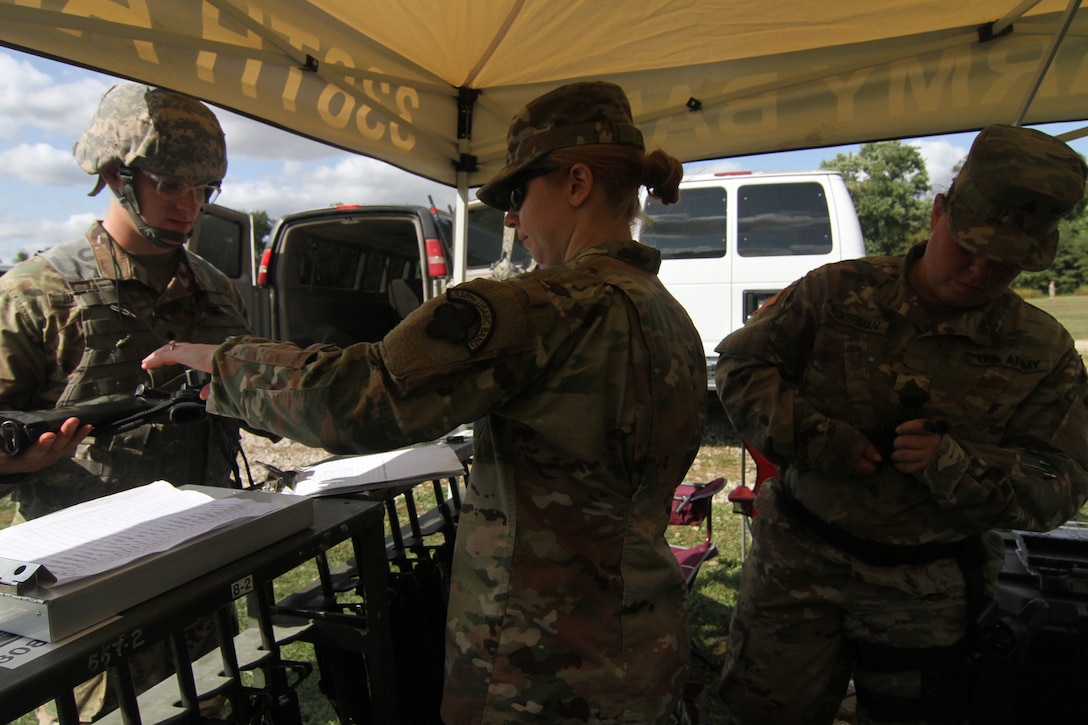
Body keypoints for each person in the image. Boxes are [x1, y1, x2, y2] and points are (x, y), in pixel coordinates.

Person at [143, 80, 708, 723]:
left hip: (540, 670)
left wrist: (221, 360)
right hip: (643, 645)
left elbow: (356, 398)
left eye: (519, 195)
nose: (513, 219)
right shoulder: (668, 316)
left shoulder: (536, 305)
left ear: (577, 183)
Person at [713, 123, 1088, 724]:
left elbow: (1061, 483)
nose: (978, 271)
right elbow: (741, 365)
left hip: (930, 589)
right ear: (939, 212)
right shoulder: (837, 294)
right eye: (968, 246)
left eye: (1006, 263)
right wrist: (811, 436)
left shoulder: (1040, 351)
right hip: (800, 567)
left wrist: (956, 467)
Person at [0, 82, 253, 721]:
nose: (189, 206)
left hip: (201, 563)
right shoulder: (37, 294)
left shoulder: (217, 291)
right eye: (171, 184)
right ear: (117, 176)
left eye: (204, 190)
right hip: (89, 589)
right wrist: (15, 464)